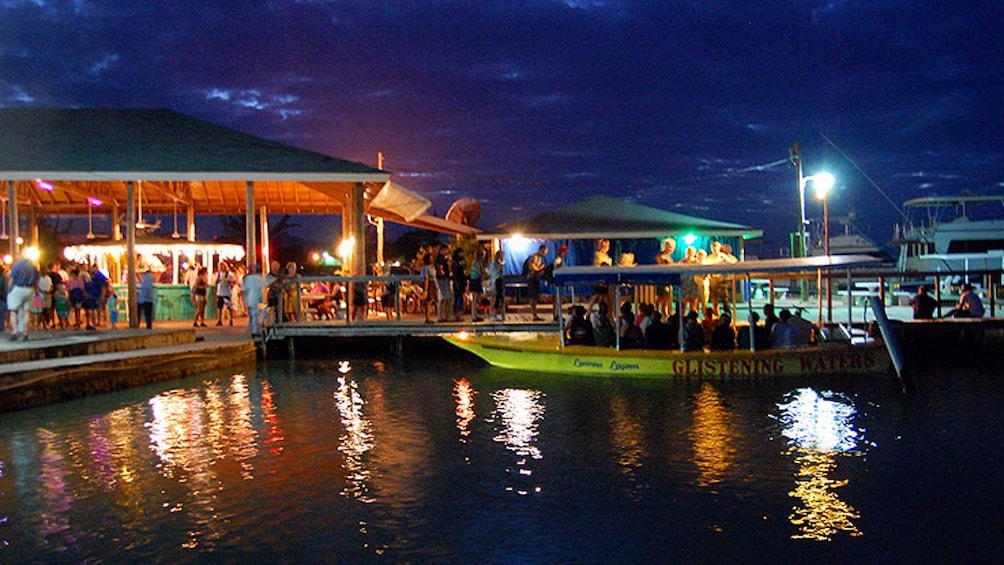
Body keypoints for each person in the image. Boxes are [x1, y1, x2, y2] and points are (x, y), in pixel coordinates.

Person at [7, 258, 39, 341]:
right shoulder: (33, 267)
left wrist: (9, 290)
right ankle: (25, 332)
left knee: (13, 311)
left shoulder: (16, 266)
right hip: (30, 289)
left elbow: (11, 280)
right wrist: (36, 291)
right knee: (27, 311)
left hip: (18, 288)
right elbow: (36, 281)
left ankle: (15, 331)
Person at [242, 263, 265, 334]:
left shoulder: (247, 278)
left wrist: (243, 298)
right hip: (256, 297)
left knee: (253, 314)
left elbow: (244, 289)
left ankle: (254, 330)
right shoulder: (259, 277)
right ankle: (254, 328)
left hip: (250, 298)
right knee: (254, 314)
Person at [526, 244, 547, 321]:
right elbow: (532, 267)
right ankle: (534, 315)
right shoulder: (535, 257)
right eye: (544, 252)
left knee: (535, 297)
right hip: (532, 278)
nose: (545, 254)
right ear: (541, 250)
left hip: (535, 278)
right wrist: (541, 268)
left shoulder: (539, 258)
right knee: (533, 297)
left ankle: (535, 314)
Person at [434, 244, 453, 322]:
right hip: (442, 279)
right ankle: (442, 316)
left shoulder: (444, 259)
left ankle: (445, 315)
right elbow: (439, 268)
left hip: (444, 279)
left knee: (446, 298)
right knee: (443, 298)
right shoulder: (440, 259)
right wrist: (443, 275)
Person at [468, 248, 487, 322]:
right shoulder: (477, 263)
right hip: (475, 281)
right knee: (475, 299)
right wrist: (484, 274)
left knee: (477, 299)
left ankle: (476, 314)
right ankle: (473, 315)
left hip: (476, 281)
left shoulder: (477, 263)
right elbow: (480, 272)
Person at [488, 250, 505, 321]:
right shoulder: (495, 264)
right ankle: (493, 314)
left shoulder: (497, 264)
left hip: (498, 282)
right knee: (495, 299)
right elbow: (494, 274)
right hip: (496, 282)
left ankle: (496, 314)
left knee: (498, 299)